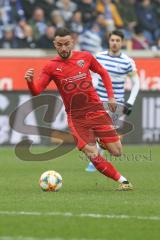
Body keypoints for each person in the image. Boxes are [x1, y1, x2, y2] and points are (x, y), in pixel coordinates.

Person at [25, 27, 133, 191]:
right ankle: (124, 182)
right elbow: (36, 91)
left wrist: (111, 97)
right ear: (54, 44)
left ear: (72, 42)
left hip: (96, 110)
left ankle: (100, 140)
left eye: (66, 44)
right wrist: (30, 82)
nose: (63, 48)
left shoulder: (85, 57)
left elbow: (103, 73)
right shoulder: (51, 67)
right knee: (92, 153)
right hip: (76, 118)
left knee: (117, 151)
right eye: (59, 44)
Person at [86, 29, 140, 172]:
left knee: (106, 135)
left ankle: (96, 160)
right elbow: (92, 77)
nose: (115, 43)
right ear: (108, 41)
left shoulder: (127, 62)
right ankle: (96, 161)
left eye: (117, 41)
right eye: (112, 40)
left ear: (122, 43)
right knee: (102, 134)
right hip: (98, 101)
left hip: (117, 104)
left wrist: (131, 102)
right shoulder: (99, 57)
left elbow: (137, 82)